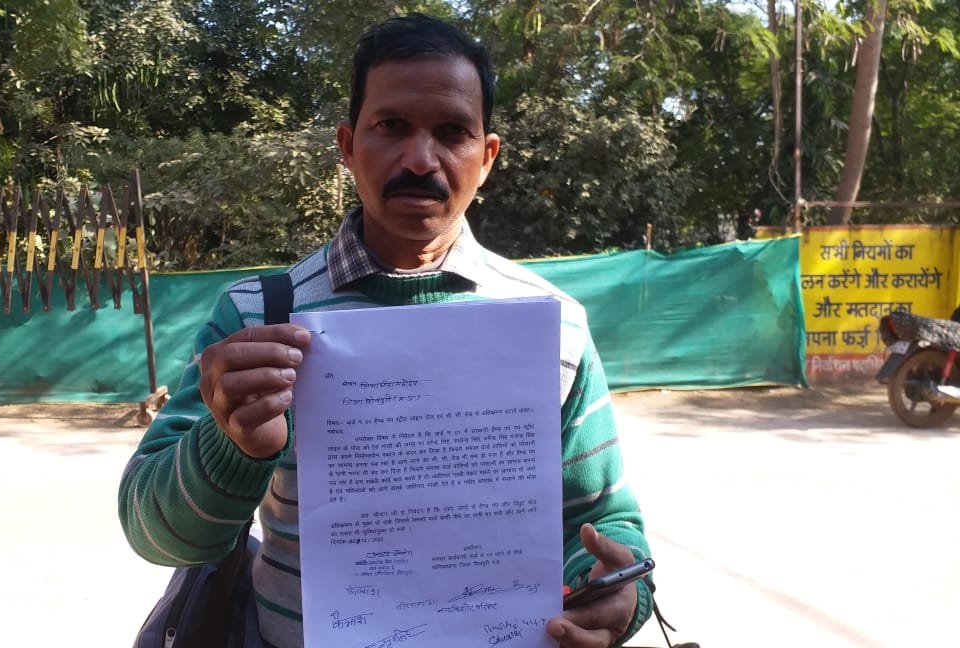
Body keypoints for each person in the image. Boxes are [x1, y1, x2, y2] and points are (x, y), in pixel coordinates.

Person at [119, 13, 653, 648]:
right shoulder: (258, 319)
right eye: (392, 126)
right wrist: (232, 446)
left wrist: (618, 591)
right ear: (348, 146)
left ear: (486, 157)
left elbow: (602, 517)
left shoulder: (553, 323)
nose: (420, 160)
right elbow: (154, 535)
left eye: (452, 132)